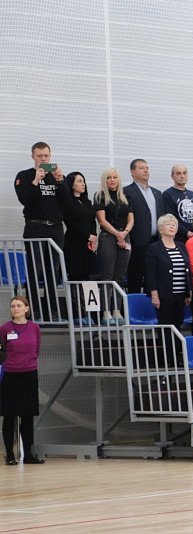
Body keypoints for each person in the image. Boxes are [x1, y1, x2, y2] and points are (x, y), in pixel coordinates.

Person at [15, 142, 70, 321]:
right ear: (33, 156)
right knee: (35, 270)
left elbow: (67, 201)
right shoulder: (24, 176)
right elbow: (24, 199)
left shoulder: (56, 176)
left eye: (46, 156)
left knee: (53, 270)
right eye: (40, 156)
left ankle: (52, 310)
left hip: (55, 228)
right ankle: (33, 310)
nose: (43, 159)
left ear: (50, 156)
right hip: (35, 227)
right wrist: (36, 181)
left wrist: (61, 181)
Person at [1, 296, 45, 465]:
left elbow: (37, 350)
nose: (15, 308)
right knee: (9, 415)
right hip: (10, 375)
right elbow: (1, 352)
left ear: (27, 308)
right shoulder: (4, 329)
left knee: (27, 416)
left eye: (19, 305)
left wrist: (28, 362)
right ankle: (10, 455)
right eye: (13, 306)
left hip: (29, 374)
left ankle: (28, 455)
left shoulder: (34, 328)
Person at [94, 167, 133, 325]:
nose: (112, 180)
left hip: (125, 236)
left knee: (119, 276)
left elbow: (131, 219)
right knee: (107, 276)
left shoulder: (125, 197)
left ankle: (117, 310)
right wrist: (117, 234)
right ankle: (106, 312)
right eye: (109, 177)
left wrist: (124, 233)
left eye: (114, 177)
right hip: (108, 237)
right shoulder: (100, 196)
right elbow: (102, 221)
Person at [124, 158, 165, 294]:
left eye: (147, 168)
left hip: (156, 241)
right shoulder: (126, 192)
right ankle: (133, 305)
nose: (146, 170)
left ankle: (150, 304)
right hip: (137, 241)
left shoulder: (157, 193)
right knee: (135, 276)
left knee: (152, 277)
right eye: (141, 168)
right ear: (132, 172)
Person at [146, 214, 192, 330]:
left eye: (174, 225)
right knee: (165, 327)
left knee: (178, 325)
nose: (172, 227)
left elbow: (188, 271)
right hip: (164, 295)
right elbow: (150, 273)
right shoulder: (154, 248)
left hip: (181, 295)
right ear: (161, 229)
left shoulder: (182, 246)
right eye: (168, 224)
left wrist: (189, 292)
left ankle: (176, 344)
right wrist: (154, 295)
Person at [62, 171, 97, 284]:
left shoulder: (87, 202)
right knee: (76, 273)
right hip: (74, 242)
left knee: (88, 273)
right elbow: (70, 223)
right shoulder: (67, 202)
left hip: (88, 243)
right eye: (79, 181)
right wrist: (87, 236)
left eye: (83, 181)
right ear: (71, 184)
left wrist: (93, 236)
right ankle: (76, 295)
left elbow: (92, 220)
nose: (83, 184)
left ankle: (86, 296)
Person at [162, 164, 193, 242]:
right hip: (178, 240)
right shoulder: (167, 194)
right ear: (172, 176)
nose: (182, 176)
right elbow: (170, 219)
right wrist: (186, 232)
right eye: (178, 173)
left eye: (184, 173)